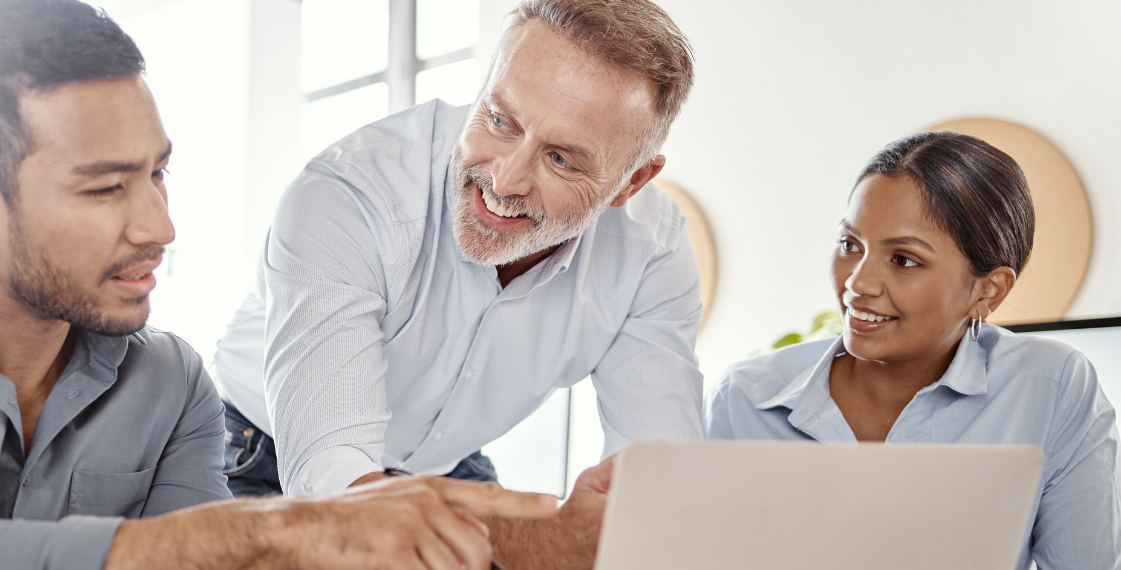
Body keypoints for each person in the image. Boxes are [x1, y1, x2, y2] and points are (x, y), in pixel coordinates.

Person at [0, 2, 557, 569]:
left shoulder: (171, 382)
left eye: (159, 175)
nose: (158, 227)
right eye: (106, 187)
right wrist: (289, 526)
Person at [211, 0, 700, 567]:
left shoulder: (652, 253)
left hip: (440, 464)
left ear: (631, 181)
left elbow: (662, 487)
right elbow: (336, 493)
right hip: (260, 451)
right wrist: (543, 542)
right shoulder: (347, 195)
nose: (505, 179)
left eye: (562, 159)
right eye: (500, 120)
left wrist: (616, 531)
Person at [705, 131, 1120, 569]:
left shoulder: (1051, 389)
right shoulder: (744, 398)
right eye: (850, 245)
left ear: (988, 291)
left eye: (904, 259)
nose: (857, 283)